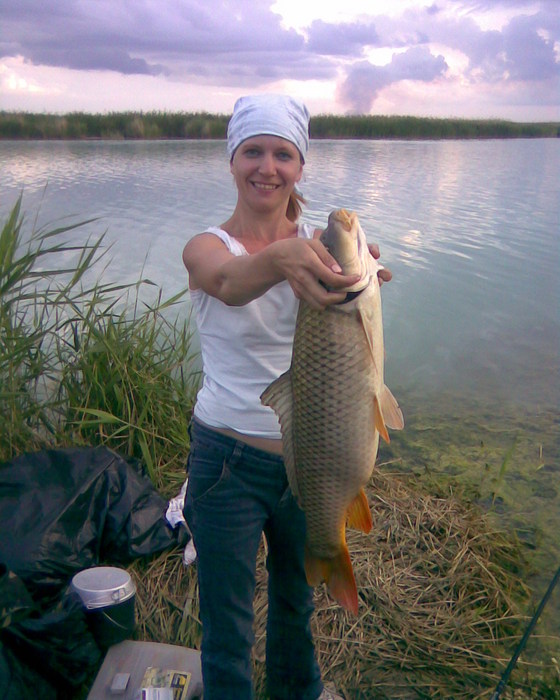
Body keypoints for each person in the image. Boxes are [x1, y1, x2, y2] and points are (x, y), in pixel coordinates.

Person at [182, 94, 391, 700]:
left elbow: (360, 330)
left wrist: (366, 282)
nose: (266, 167)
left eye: (282, 154)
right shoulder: (206, 248)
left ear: (300, 166)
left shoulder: (321, 250)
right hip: (225, 462)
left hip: (312, 461)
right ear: (232, 160)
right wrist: (284, 257)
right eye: (253, 152)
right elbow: (227, 282)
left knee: (296, 607)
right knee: (227, 620)